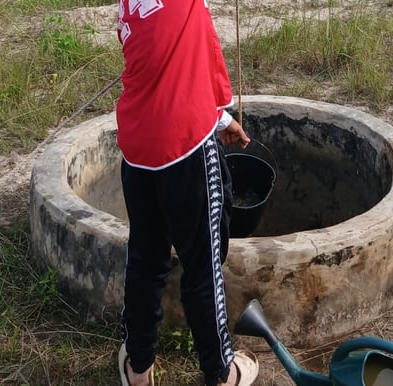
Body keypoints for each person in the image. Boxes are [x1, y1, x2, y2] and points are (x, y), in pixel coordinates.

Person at [114, 1, 259, 385]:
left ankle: (138, 369)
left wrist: (219, 117)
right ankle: (221, 373)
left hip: (139, 145)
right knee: (203, 266)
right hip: (184, 147)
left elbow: (170, 59)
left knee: (145, 259)